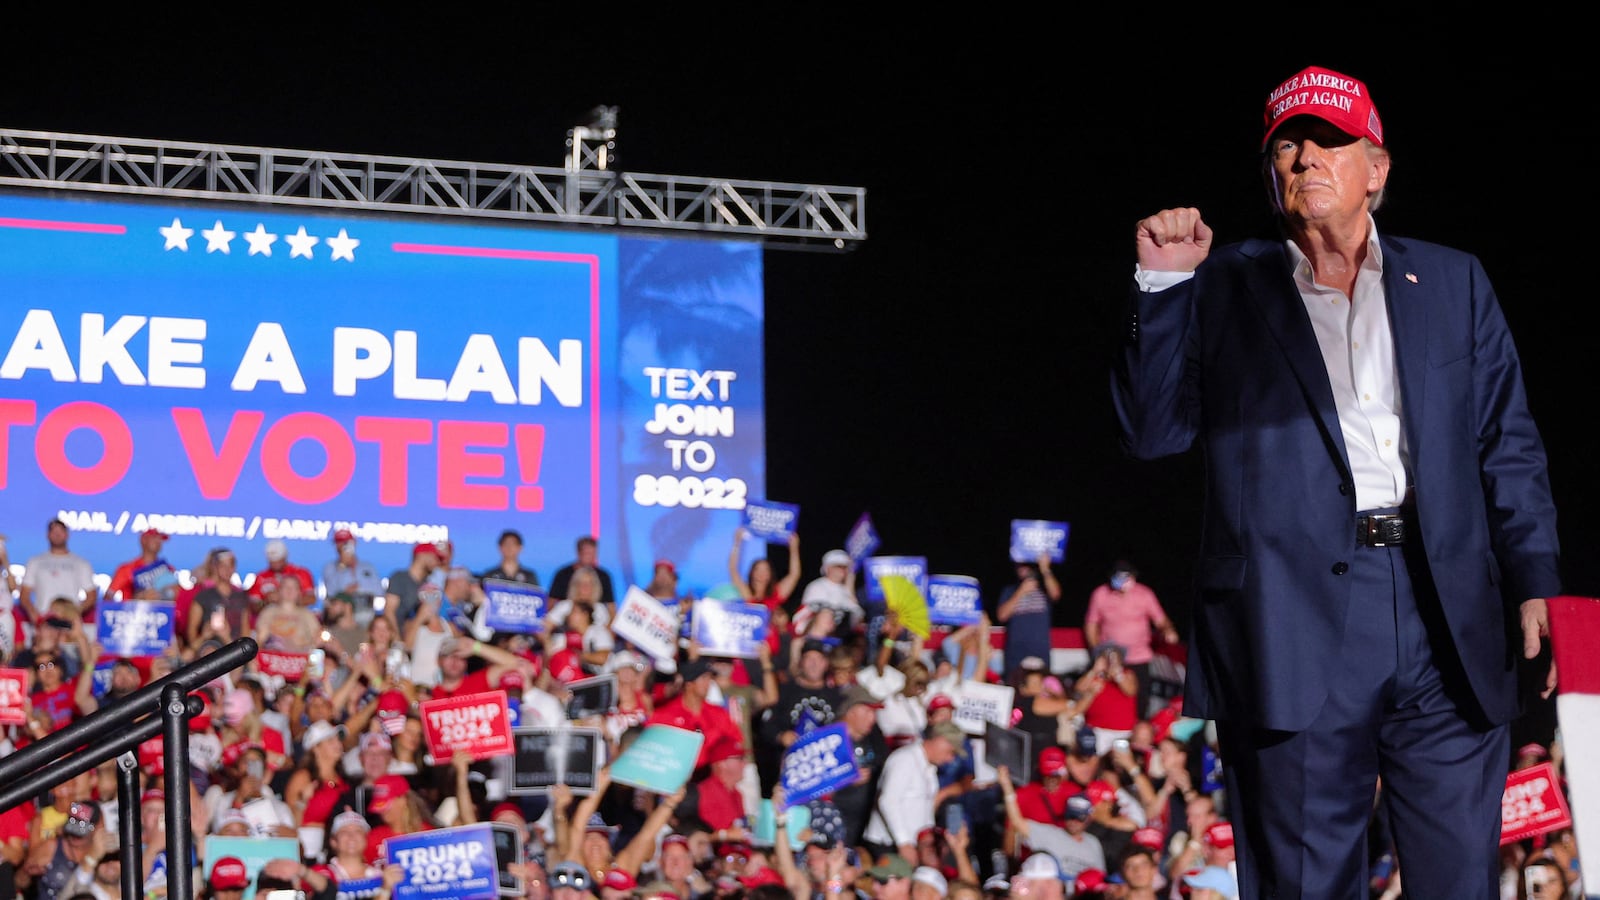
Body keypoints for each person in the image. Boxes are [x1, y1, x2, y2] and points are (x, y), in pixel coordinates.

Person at [1113, 64, 1562, 898]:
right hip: (1291, 625)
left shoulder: (1454, 282)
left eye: (1328, 141)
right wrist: (1165, 285)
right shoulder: (1223, 287)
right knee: (1305, 883)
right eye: (1287, 147)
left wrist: (1535, 579)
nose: (1305, 158)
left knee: (1460, 878)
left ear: (1377, 170)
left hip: (1448, 612)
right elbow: (1152, 434)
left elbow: (1508, 441)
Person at [1082, 560, 1178, 718]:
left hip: (1139, 657)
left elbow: (1160, 620)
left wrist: (1168, 630)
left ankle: (1137, 735)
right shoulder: (1100, 594)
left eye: (1128, 577)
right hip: (1110, 657)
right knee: (1104, 697)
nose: (1124, 582)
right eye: (1119, 578)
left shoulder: (1144, 594)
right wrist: (1096, 652)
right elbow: (1091, 624)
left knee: (1140, 699)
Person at [18, 518, 99, 626]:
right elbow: (24, 594)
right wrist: (33, 613)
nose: (57, 535)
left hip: (69, 621)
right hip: (43, 620)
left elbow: (91, 595)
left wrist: (75, 612)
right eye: (54, 531)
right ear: (47, 535)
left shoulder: (81, 563)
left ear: (67, 534)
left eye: (60, 531)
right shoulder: (35, 562)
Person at [994, 555, 1059, 680]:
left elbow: (1055, 594)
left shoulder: (1044, 589)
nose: (1021, 568)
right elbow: (1002, 616)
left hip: (1040, 650)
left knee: (1041, 689)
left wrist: (1045, 569)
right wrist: (1021, 592)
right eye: (1019, 565)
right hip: (1016, 652)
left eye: (1026, 565)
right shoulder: (1009, 590)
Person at [320, 529, 383, 621]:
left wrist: (358, 589)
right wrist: (342, 565)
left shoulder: (368, 567)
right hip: (341, 614)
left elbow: (378, 590)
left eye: (346, 543)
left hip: (365, 611)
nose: (342, 546)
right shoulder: (330, 568)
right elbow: (331, 591)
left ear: (354, 543)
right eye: (339, 543)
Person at [106, 527, 179, 603]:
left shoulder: (169, 568)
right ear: (143, 540)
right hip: (133, 612)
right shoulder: (127, 569)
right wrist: (138, 598)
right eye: (154, 537)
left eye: (160, 539)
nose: (158, 541)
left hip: (163, 613)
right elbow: (108, 598)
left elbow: (178, 597)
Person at [548, 535, 618, 607]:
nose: (591, 557)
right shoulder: (563, 575)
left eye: (593, 554)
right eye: (587, 553)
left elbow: (611, 605)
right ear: (578, 553)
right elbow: (551, 602)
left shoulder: (604, 576)